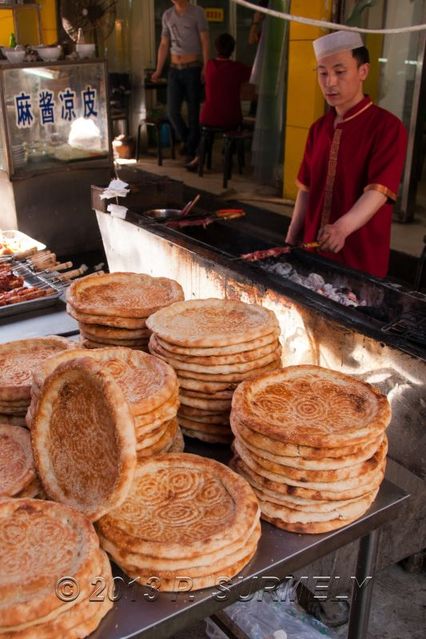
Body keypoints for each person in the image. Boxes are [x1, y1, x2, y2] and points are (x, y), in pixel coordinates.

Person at [285, 30, 407, 278]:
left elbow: (378, 191)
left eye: (340, 72)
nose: (330, 82)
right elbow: (306, 190)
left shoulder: (387, 127)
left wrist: (342, 228)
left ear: (363, 71)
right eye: (323, 73)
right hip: (312, 254)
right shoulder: (319, 128)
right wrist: (290, 239)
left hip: (359, 259)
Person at [151, 0, 209, 163]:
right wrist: (158, 69)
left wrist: (205, 65)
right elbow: (164, 44)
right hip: (174, 68)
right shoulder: (167, 15)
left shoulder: (197, 12)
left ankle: (191, 151)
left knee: (193, 112)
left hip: (193, 67)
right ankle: (190, 143)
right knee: (172, 112)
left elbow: (205, 40)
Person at [186, 33, 251, 171]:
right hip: (231, 117)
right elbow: (253, 74)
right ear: (232, 50)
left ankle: (199, 158)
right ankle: (227, 155)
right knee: (235, 127)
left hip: (209, 116)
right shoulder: (237, 68)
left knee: (206, 134)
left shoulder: (209, 65)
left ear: (216, 48)